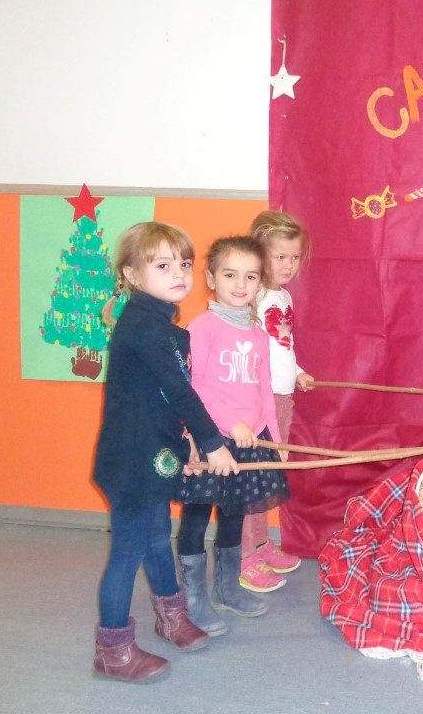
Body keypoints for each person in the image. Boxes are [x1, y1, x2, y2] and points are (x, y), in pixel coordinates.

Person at [92, 222, 237, 683]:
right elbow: (179, 391)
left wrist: (187, 441)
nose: (179, 273)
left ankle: (170, 617)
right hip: (131, 461)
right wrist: (213, 443)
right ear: (132, 275)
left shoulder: (163, 326)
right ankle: (113, 650)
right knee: (129, 550)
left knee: (157, 538)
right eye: (162, 265)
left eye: (184, 264)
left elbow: (161, 400)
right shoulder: (143, 325)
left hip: (153, 453)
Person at [176, 236, 290, 634]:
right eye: (230, 275)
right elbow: (195, 389)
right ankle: (193, 597)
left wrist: (274, 437)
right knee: (196, 517)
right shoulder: (202, 328)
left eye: (250, 277)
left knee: (233, 515)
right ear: (211, 279)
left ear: (260, 283)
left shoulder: (258, 334)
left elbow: (264, 392)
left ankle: (227, 588)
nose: (240, 285)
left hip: (248, 442)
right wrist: (228, 425)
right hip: (211, 440)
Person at [238, 211, 315, 589]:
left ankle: (259, 542)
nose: (288, 265)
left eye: (294, 257)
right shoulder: (251, 295)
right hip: (258, 401)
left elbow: (282, 345)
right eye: (279, 256)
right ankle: (243, 554)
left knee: (268, 474)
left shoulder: (282, 296)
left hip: (283, 398)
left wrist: (297, 371)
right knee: (250, 476)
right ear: (259, 254)